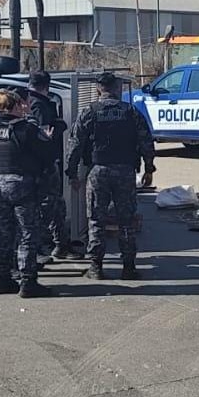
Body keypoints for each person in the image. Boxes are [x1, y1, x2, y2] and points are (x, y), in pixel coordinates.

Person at [66, 73, 156, 281]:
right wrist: (149, 169)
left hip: (98, 171)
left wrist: (72, 173)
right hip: (125, 171)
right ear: (117, 89)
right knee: (126, 220)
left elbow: (75, 144)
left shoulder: (89, 112)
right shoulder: (130, 112)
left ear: (98, 89)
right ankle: (128, 267)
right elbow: (146, 142)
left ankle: (96, 267)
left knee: (96, 220)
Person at [0, 88, 56, 298]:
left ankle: (3, 278)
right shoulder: (25, 129)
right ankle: (28, 281)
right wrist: (47, 138)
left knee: (3, 234)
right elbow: (47, 154)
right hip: (22, 185)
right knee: (27, 233)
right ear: (14, 106)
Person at [26, 71, 79, 260]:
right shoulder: (38, 105)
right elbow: (44, 136)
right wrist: (59, 126)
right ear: (46, 86)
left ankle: (60, 245)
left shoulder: (28, 101)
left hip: (41, 165)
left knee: (56, 206)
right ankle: (39, 249)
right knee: (48, 207)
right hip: (43, 166)